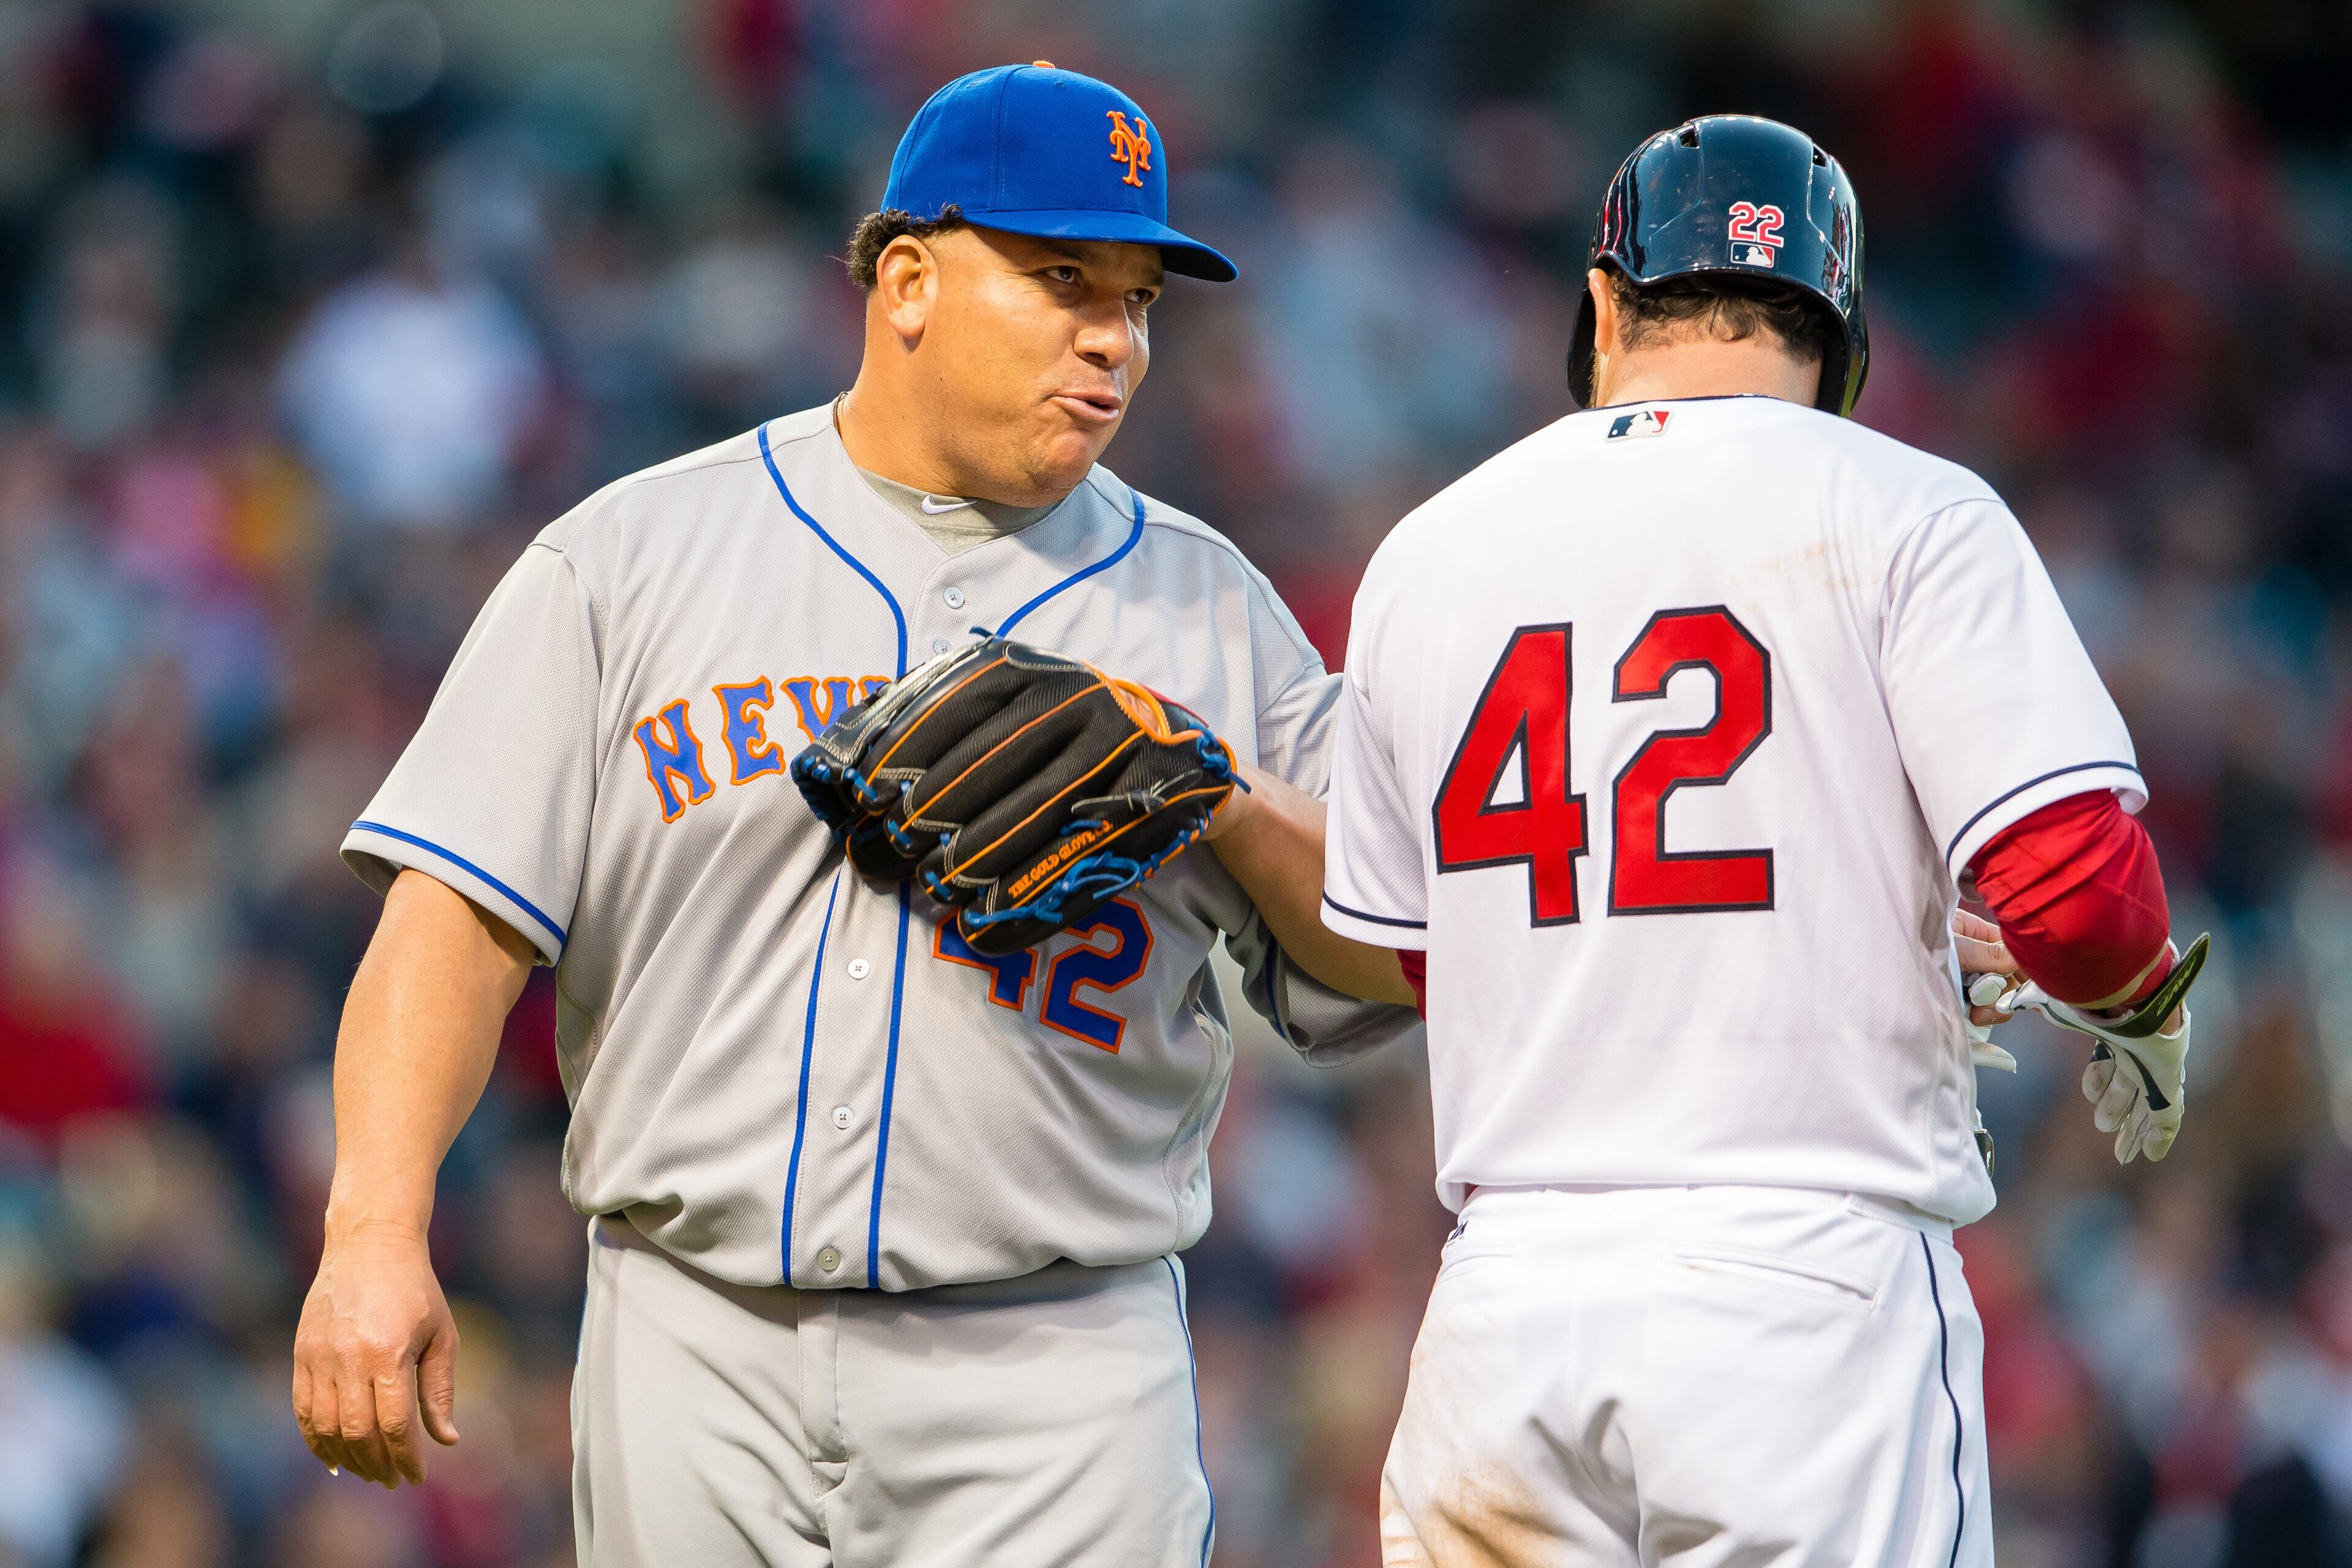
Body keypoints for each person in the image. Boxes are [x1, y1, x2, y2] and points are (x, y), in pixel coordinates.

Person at [289, 62, 1415, 1566]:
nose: (1113, 340)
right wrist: (372, 1229)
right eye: (1062, 277)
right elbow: (456, 922)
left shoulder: (1211, 605)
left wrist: (1218, 788)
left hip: (1058, 1365)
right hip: (697, 1331)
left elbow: (1379, 954)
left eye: (1140, 299)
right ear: (905, 282)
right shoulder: (632, 554)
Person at [1316, 115, 2199, 1566]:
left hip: (1507, 1305)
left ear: (1604, 305)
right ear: (1838, 337)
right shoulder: (1905, 506)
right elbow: (2084, 894)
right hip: (1804, 1291)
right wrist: (2142, 1004)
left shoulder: (1425, 548)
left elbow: (1433, 963)